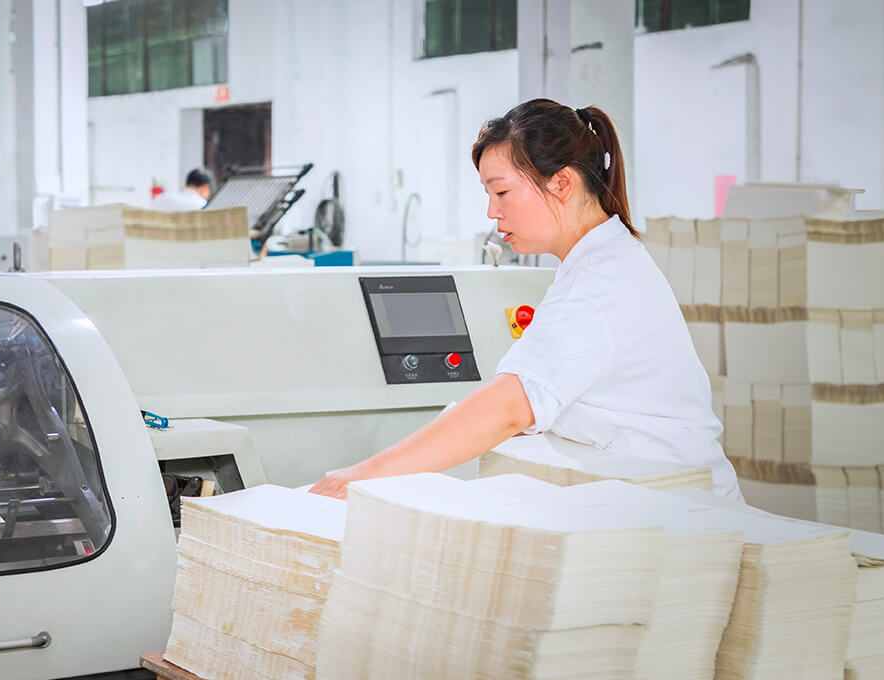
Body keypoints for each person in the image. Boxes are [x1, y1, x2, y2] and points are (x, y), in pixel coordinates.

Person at [310, 98, 741, 501]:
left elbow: (510, 408)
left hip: (685, 510)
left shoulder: (601, 283)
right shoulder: (594, 266)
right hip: (653, 500)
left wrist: (361, 476)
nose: (492, 212)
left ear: (561, 183)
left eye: (502, 193)